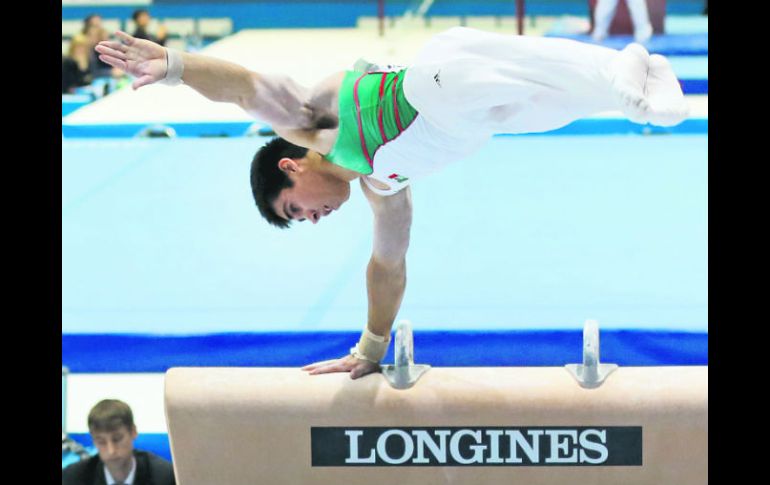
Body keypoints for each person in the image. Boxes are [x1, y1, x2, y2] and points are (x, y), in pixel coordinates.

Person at [95, 27, 688, 379]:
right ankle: (634, 79)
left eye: (294, 208)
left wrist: (176, 66)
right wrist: (370, 350)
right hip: (473, 121)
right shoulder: (385, 189)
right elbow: (388, 268)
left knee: (472, 85)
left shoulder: (313, 125)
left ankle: (615, 68)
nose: (311, 218)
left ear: (290, 166)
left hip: (438, 79)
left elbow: (249, 88)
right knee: (539, 112)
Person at [62, 399, 176, 485]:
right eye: (101, 442)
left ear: (133, 432)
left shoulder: (165, 477)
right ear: (93, 440)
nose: (111, 450)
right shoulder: (73, 479)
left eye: (117, 439)